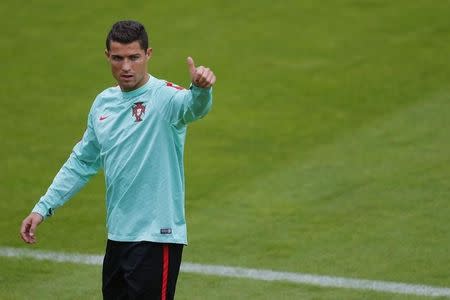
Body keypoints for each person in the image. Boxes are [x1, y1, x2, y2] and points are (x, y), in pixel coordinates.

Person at [20, 20, 215, 300]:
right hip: (118, 238)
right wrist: (43, 207)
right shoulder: (103, 104)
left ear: (148, 55)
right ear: (107, 57)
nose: (126, 67)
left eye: (134, 57)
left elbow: (193, 109)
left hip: (156, 238)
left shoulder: (164, 97)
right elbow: (82, 162)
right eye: (118, 58)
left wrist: (201, 89)